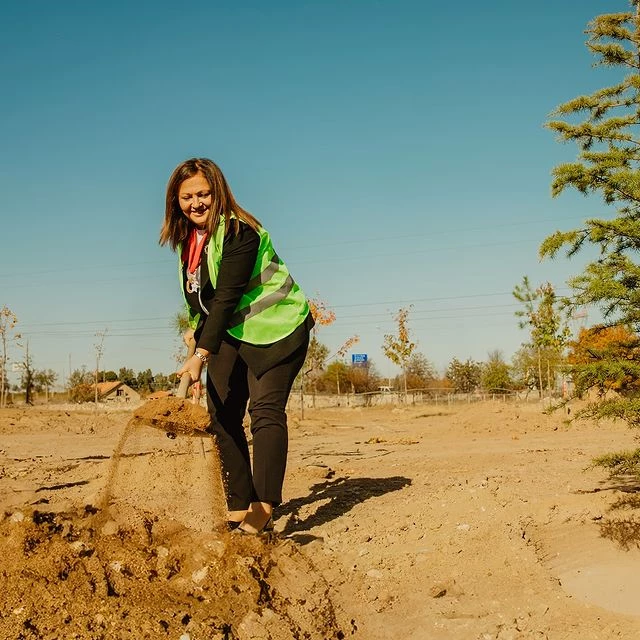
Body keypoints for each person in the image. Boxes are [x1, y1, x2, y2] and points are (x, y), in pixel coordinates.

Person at [159, 158, 314, 535]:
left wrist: (199, 356)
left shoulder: (239, 232)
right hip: (233, 331)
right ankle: (238, 503)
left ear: (218, 192)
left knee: (264, 411)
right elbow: (203, 298)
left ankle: (263, 507)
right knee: (222, 414)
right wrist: (196, 334)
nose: (195, 203)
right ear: (175, 201)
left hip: (277, 329)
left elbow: (227, 296)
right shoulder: (190, 243)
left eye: (203, 194)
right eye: (187, 197)